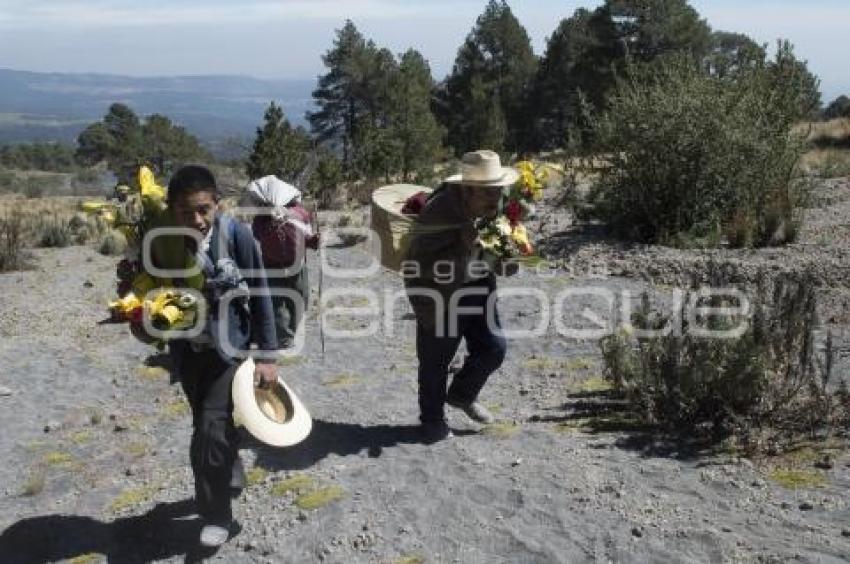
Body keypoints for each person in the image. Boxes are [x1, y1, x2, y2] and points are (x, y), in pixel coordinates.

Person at [164, 165, 279, 548]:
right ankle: (229, 470)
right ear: (171, 211)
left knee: (208, 431)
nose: (196, 220)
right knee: (209, 422)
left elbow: (262, 293)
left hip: (230, 353)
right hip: (188, 355)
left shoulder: (236, 236)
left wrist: (267, 355)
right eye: (185, 212)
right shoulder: (162, 243)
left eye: (203, 210)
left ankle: (216, 515)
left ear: (217, 204)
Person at [404, 150, 517, 443]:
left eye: (499, 189)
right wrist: (461, 248)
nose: (496, 198)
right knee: (436, 359)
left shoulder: (497, 205)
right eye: (488, 192)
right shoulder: (439, 211)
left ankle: (462, 395)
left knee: (494, 347)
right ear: (467, 191)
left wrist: (505, 256)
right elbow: (417, 263)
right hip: (442, 294)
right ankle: (431, 419)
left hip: (481, 286)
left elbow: (498, 238)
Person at [243, 176, 319, 349]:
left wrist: (313, 241)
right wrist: (275, 223)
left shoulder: (298, 213)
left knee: (300, 298)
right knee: (278, 304)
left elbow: (303, 235)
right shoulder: (262, 219)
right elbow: (260, 235)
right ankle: (283, 338)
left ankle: (287, 332)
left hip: (296, 266)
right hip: (273, 267)